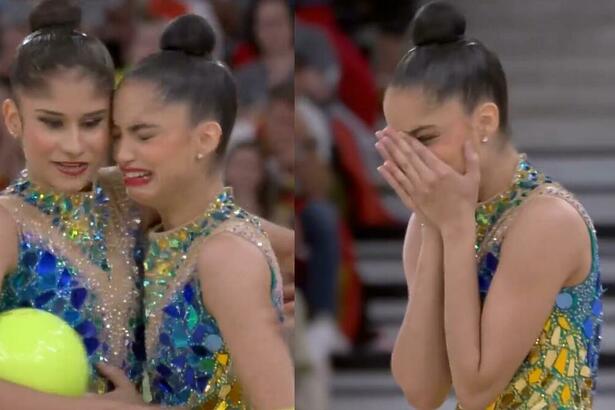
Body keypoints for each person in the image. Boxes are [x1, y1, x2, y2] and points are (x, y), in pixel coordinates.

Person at [376, 2, 602, 409]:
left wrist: (457, 229)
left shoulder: (547, 221)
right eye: (399, 144)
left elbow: (477, 388)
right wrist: (433, 228)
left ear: (484, 122)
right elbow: (422, 392)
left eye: (424, 139)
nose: (410, 161)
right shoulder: (436, 219)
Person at [112, 14, 294, 409]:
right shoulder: (170, 229)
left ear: (206, 138)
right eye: (118, 135)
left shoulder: (226, 256)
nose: (123, 154)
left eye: (144, 135)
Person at [0, 1, 145, 408]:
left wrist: (268, 279)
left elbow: (234, 231)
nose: (74, 145)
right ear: (14, 119)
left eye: (91, 122)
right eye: (52, 122)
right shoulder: (6, 224)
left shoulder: (129, 194)